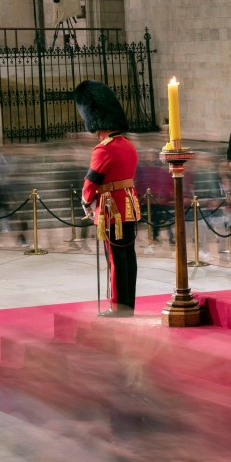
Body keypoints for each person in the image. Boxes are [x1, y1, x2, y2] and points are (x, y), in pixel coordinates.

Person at [77, 80, 141, 318]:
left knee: (114, 258)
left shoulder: (104, 148)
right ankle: (128, 305)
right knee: (128, 257)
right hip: (129, 206)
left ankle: (117, 307)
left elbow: (91, 182)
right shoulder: (128, 145)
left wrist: (85, 201)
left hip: (111, 209)